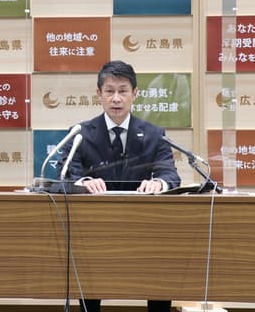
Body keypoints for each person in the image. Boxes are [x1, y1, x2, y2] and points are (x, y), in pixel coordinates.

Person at [59, 60, 181, 312]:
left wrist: (158, 183)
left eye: (123, 91)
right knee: (89, 285)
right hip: (94, 232)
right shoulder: (81, 133)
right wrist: (84, 183)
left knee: (159, 275)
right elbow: (65, 175)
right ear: (99, 94)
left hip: (145, 231)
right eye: (109, 91)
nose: (116, 98)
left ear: (134, 94)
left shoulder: (154, 134)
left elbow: (170, 175)